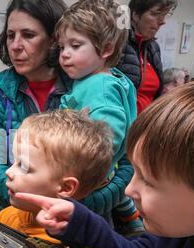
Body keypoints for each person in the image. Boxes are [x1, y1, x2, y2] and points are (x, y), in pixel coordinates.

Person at [17, 81, 194, 248]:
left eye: (148, 182)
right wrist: (78, 221)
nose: (129, 190)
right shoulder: (172, 235)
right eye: (135, 173)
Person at [0, 0, 134, 224]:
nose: (15, 45)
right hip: (14, 219)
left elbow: (125, 162)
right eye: (11, 35)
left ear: (53, 39)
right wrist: (37, 201)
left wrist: (76, 207)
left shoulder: (91, 83)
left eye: (28, 35)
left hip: (84, 219)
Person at [0, 109, 113, 243]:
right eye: (14, 162)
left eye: (23, 167)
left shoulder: (68, 244)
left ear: (66, 187)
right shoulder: (12, 214)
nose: (8, 172)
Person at [56, 0, 142, 234]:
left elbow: (108, 135)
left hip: (91, 179)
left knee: (91, 232)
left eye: (75, 45)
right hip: (99, 174)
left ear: (106, 49)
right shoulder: (105, 78)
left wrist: (77, 156)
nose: (64, 54)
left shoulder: (100, 86)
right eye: (62, 47)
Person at [117, 0, 178, 114]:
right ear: (135, 15)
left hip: (146, 124)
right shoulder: (118, 43)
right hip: (124, 125)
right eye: (155, 14)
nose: (162, 21)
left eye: (164, 15)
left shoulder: (153, 47)